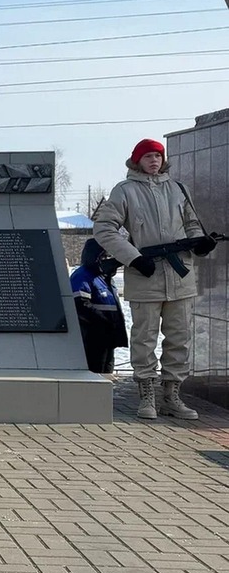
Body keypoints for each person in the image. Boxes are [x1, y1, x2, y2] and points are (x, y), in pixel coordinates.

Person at [93, 138, 216, 420]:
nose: (154, 161)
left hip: (180, 277)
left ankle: (172, 396)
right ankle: (146, 395)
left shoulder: (178, 189)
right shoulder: (124, 191)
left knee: (179, 339)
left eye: (158, 156)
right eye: (148, 156)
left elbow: (192, 224)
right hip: (144, 276)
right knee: (144, 339)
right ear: (137, 160)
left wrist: (199, 243)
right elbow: (104, 229)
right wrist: (134, 258)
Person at [69, 237, 128, 375]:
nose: (109, 259)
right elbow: (80, 304)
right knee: (95, 376)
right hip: (92, 338)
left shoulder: (105, 278)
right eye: (105, 256)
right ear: (95, 256)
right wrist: (103, 322)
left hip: (107, 338)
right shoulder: (82, 276)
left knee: (107, 376)